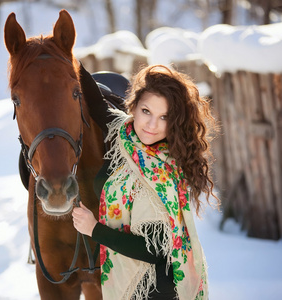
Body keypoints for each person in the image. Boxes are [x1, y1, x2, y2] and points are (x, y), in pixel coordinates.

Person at [72, 63, 220, 300]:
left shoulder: (164, 170)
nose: (152, 126)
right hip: (134, 283)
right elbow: (98, 104)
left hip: (155, 289)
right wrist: (65, 54)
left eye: (164, 117)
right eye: (146, 111)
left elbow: (155, 250)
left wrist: (93, 229)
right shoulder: (126, 135)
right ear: (133, 107)